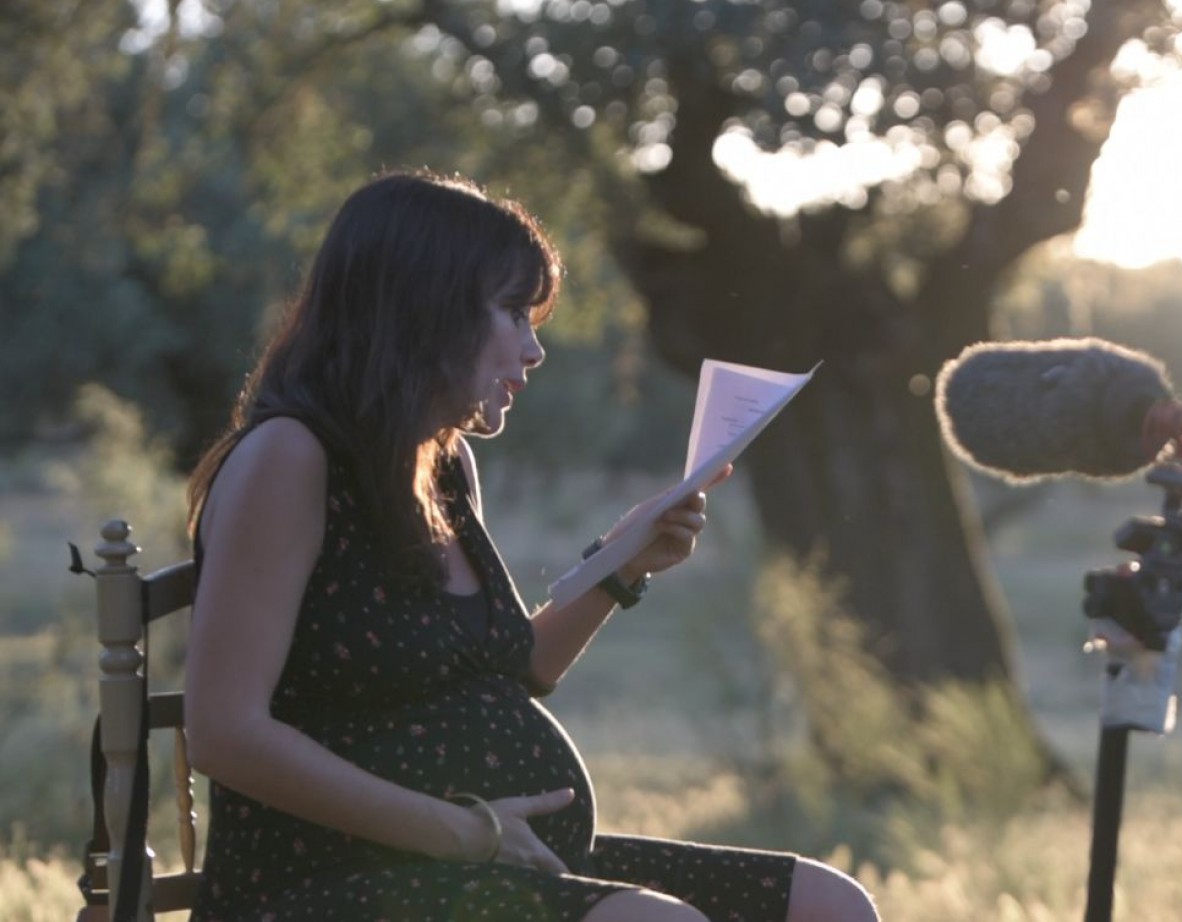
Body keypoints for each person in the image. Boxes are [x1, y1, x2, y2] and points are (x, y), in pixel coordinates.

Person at [181, 171, 880, 922]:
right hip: (325, 882)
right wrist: (464, 833)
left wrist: (620, 566)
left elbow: (511, 670)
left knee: (827, 905)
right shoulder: (289, 458)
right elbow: (224, 733)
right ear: (424, 308)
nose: (534, 350)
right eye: (514, 312)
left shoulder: (442, 465)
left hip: (478, 859)